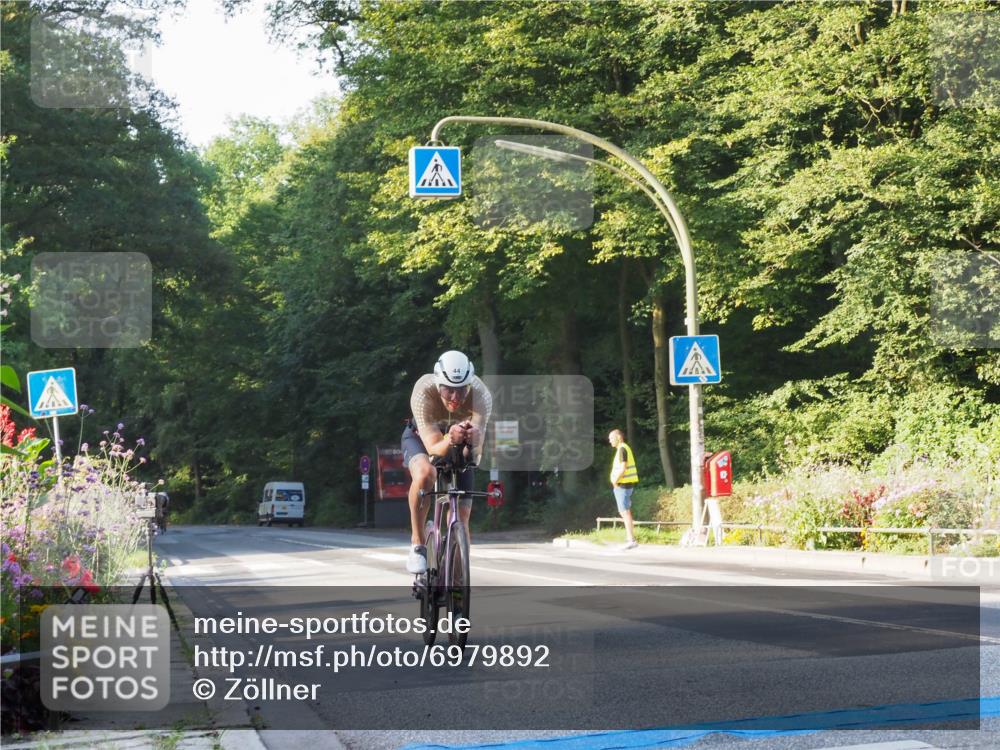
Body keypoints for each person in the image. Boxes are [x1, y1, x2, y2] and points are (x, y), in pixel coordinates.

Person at [402, 350, 493, 573]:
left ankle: (458, 584)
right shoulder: (423, 390)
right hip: (421, 439)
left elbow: (475, 456)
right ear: (438, 384)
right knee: (426, 473)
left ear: (470, 385)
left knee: (461, 515)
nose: (454, 398)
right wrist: (449, 438)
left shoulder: (481, 395)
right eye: (448, 390)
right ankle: (417, 543)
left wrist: (474, 442)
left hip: (460, 442)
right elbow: (433, 449)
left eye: (461, 390)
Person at [608, 429, 639, 549]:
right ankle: (630, 538)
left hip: (623, 484)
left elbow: (623, 468)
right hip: (623, 484)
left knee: (625, 512)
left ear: (618, 437)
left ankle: (631, 540)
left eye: (611, 438)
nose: (610, 441)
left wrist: (615, 481)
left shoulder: (622, 449)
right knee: (624, 511)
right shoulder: (622, 448)